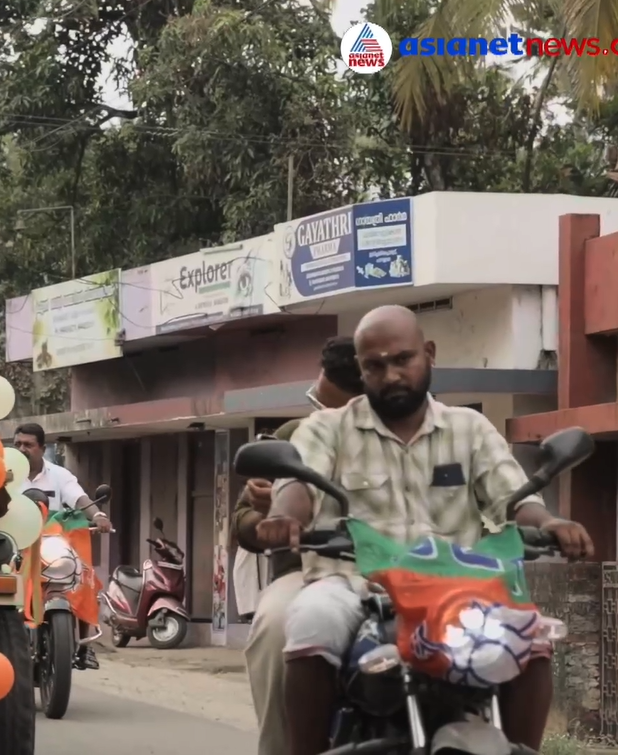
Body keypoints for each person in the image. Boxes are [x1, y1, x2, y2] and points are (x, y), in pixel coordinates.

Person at [256, 306, 594, 755]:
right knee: (308, 621)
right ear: (360, 370)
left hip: (458, 590)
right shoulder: (327, 429)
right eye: (375, 365)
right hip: (353, 585)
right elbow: (298, 484)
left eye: (402, 359)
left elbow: (513, 499)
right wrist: (286, 516)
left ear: (429, 354)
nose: (391, 374)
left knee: (530, 635)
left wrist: (552, 524)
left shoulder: (469, 429)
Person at [234, 337, 363, 755]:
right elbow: (243, 523)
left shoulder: (430, 432)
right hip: (310, 572)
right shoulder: (297, 437)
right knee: (274, 626)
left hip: (413, 572)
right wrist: (269, 517)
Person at [13, 422, 111, 669]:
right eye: (17, 444)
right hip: (16, 546)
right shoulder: (5, 474)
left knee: (83, 574)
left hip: (51, 545)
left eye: (28, 445)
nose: (22, 449)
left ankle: (84, 645)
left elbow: (79, 498)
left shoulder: (59, 475)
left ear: (42, 448)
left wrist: (98, 516)